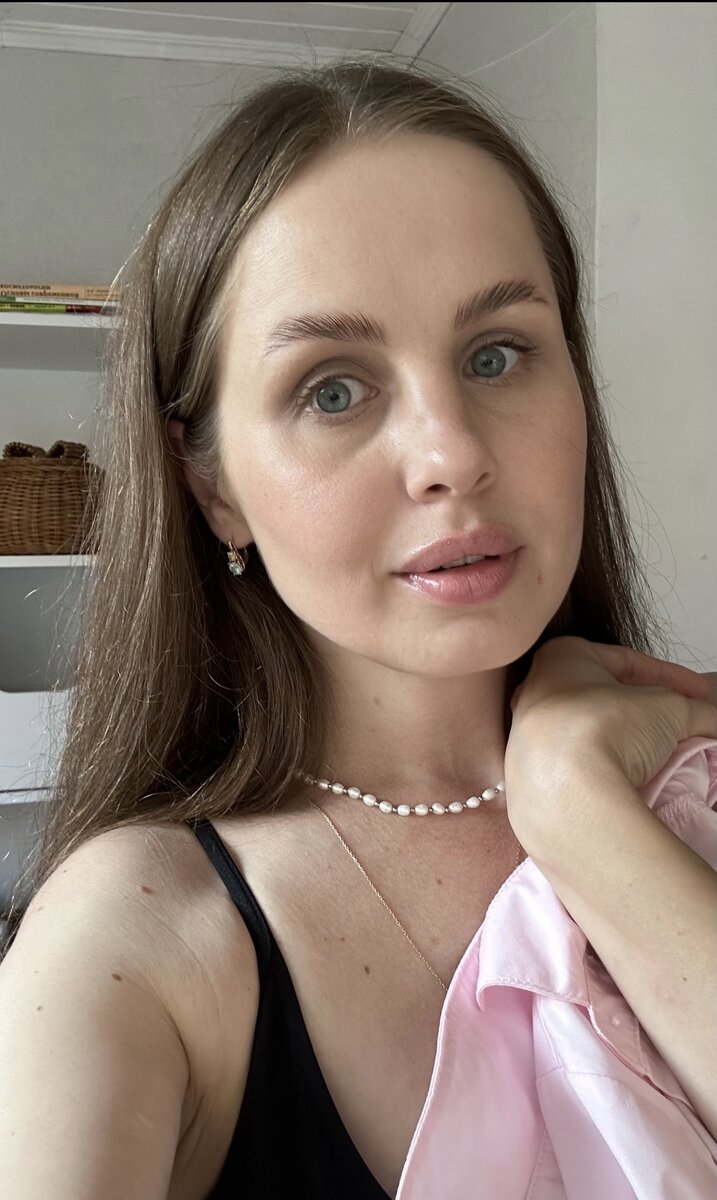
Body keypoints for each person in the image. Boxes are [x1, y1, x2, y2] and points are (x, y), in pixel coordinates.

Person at [1, 57, 716, 1200]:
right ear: (211, 486)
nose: (452, 454)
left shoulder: (690, 782)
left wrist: (583, 813)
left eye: (497, 354)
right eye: (333, 388)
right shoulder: (133, 942)